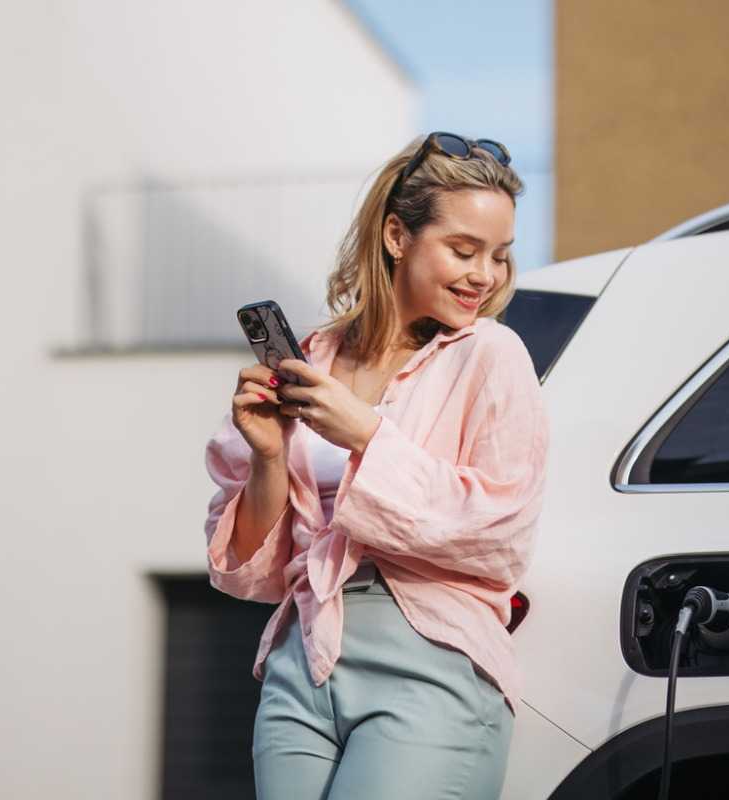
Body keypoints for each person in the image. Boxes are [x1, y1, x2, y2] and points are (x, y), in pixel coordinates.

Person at [202, 132, 550, 800]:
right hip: (304, 663)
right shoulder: (314, 358)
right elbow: (246, 570)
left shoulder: (492, 356)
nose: (485, 275)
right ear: (397, 235)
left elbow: (499, 531)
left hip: (430, 662)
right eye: (463, 249)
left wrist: (365, 432)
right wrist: (269, 458)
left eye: (500, 256)